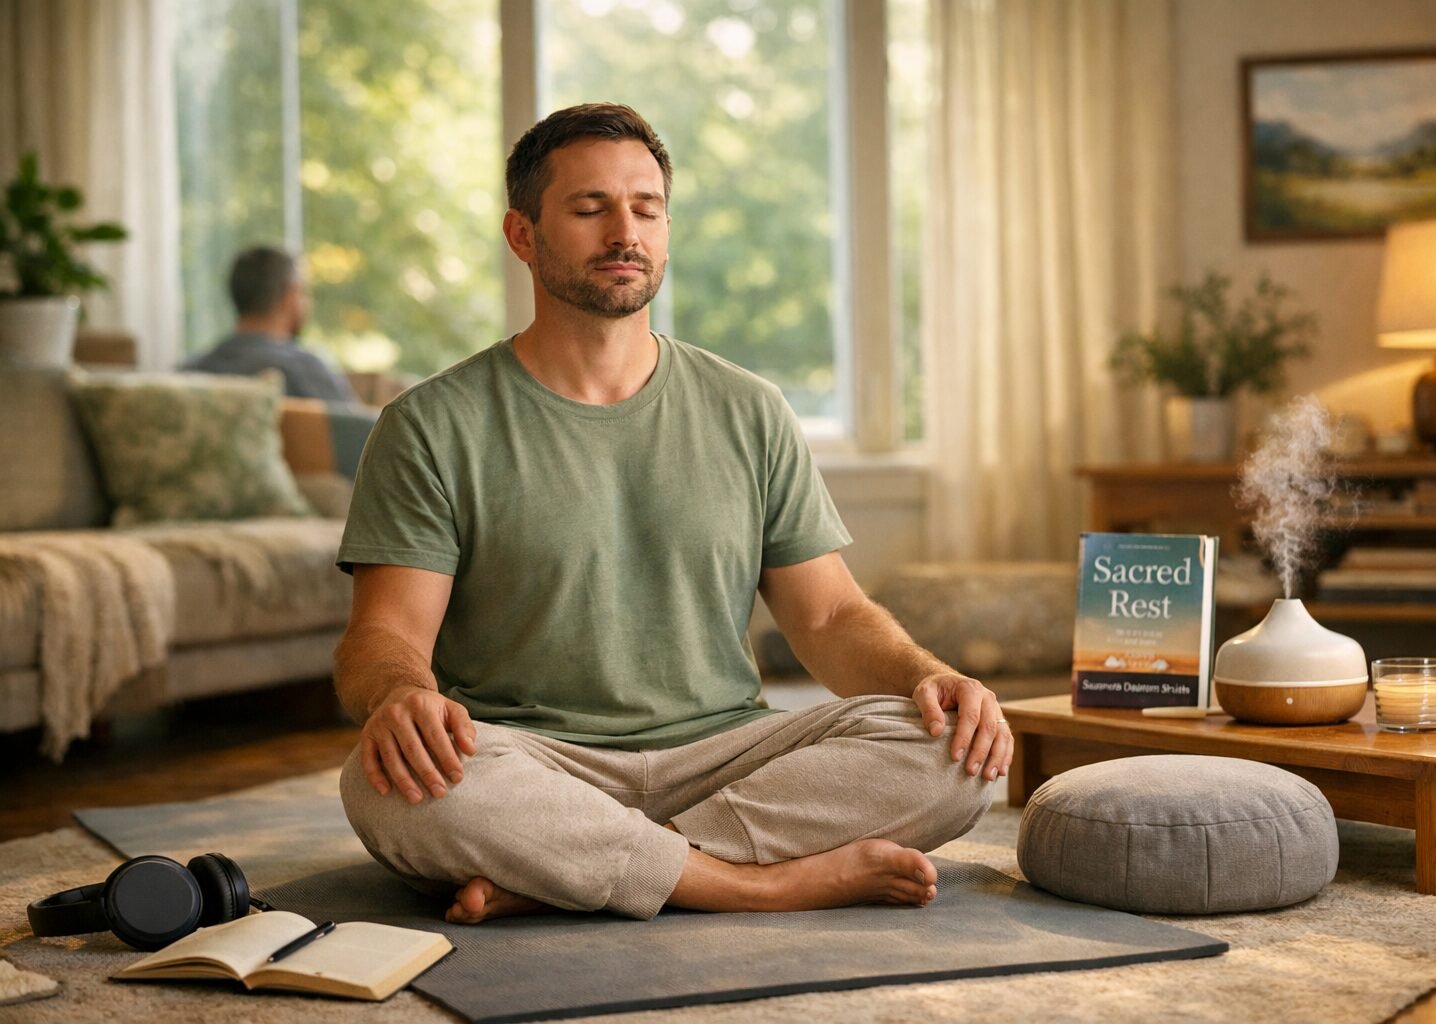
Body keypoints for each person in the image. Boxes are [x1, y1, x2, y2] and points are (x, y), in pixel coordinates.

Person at [333, 103, 1013, 924]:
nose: (625, 231)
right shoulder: (431, 424)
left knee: (955, 750)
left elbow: (829, 616)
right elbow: (384, 638)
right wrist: (401, 695)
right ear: (523, 235)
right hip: (533, 757)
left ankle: (570, 870)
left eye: (646, 209)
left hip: (727, 755)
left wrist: (927, 676)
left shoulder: (749, 408)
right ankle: (748, 883)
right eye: (590, 209)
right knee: (386, 786)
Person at [184, 246, 358, 403]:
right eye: (304, 292)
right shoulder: (308, 373)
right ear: (290, 296)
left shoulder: (188, 376)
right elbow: (361, 437)